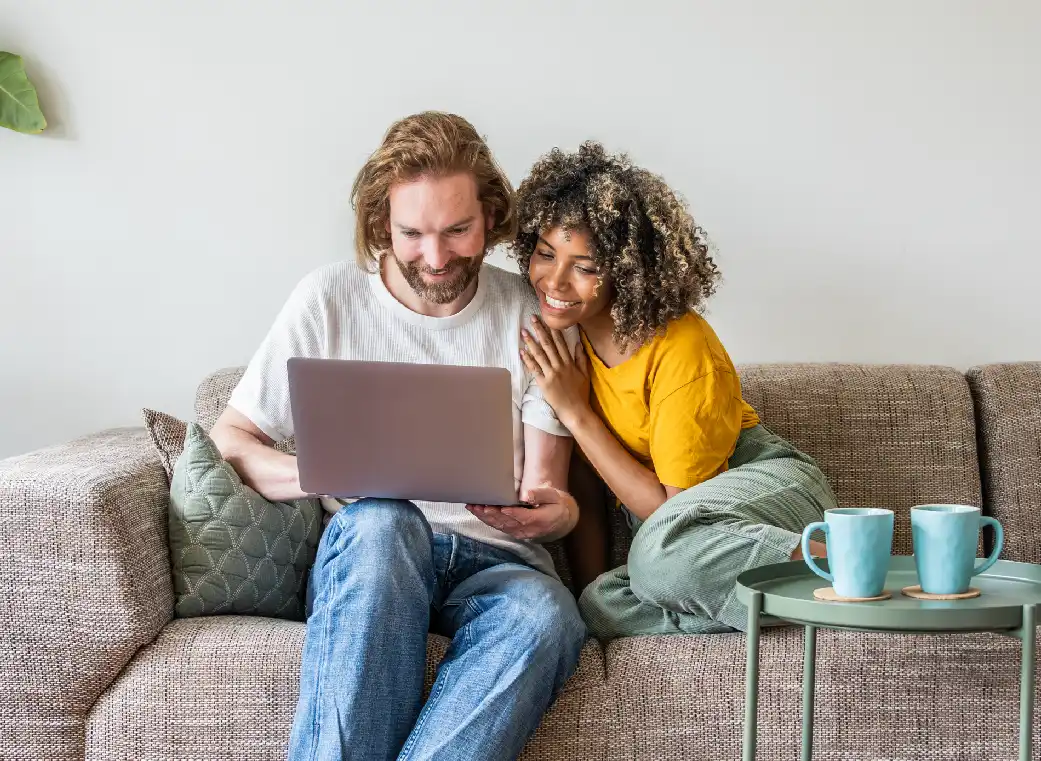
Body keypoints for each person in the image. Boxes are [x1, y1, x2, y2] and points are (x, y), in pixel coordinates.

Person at [210, 112, 587, 761]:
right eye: (412, 233)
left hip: (497, 564)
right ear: (382, 221)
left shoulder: (530, 314)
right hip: (376, 555)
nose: (435, 258)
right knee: (384, 519)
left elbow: (546, 490)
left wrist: (551, 514)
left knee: (547, 616)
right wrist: (319, 472)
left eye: (457, 231)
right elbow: (230, 440)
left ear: (490, 216)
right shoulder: (327, 299)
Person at [507, 141, 838, 637]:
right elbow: (587, 479)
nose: (555, 280)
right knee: (598, 605)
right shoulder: (566, 341)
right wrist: (592, 586)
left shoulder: (681, 347)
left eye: (586, 266)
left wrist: (576, 413)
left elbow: (669, 510)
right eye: (546, 253)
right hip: (677, 542)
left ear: (628, 270)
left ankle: (842, 565)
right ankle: (802, 595)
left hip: (760, 487)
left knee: (659, 556)